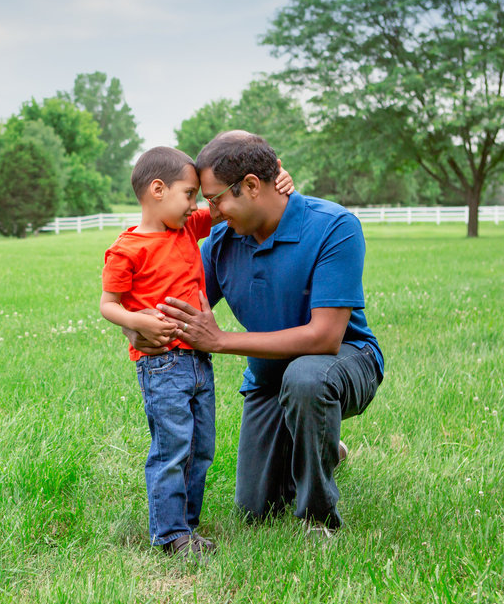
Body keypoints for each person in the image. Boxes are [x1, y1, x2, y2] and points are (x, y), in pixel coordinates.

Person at [152, 132, 384, 534]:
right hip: (268, 377)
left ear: (253, 186)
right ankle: (327, 448)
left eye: (216, 198)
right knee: (255, 509)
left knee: (307, 378)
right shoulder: (222, 242)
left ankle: (318, 519)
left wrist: (220, 340)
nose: (212, 212)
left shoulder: (334, 226)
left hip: (344, 361)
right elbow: (180, 306)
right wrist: (140, 326)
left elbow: (325, 338)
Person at [99, 145, 294, 557]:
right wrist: (137, 323)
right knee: (173, 449)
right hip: (162, 364)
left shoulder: (186, 228)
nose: (196, 205)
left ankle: (188, 527)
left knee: (201, 448)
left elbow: (234, 201)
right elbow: (108, 305)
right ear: (157, 189)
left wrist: (281, 174)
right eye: (189, 194)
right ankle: (170, 535)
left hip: (199, 361)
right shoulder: (125, 250)